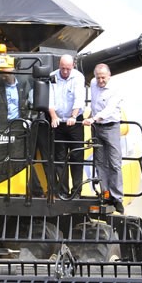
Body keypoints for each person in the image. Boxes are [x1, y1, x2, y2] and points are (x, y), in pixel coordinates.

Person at [0, 71, 42, 195]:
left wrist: (28, 120)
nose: (2, 76)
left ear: (13, 72)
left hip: (19, 125)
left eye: (5, 74)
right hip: (0, 125)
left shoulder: (23, 85)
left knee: (19, 158)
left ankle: (33, 190)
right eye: (1, 74)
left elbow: (31, 103)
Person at [82, 63, 124, 213]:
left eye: (103, 78)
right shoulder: (93, 83)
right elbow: (93, 102)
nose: (100, 81)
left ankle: (117, 198)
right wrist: (89, 116)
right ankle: (106, 194)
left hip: (111, 126)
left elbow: (110, 109)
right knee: (99, 162)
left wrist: (94, 118)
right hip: (96, 128)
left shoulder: (116, 89)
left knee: (114, 163)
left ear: (109, 76)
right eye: (98, 77)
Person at [48, 54, 86, 196]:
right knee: (59, 158)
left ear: (73, 66)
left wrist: (73, 116)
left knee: (77, 156)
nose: (65, 72)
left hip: (74, 121)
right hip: (58, 122)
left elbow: (79, 98)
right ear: (59, 65)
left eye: (68, 69)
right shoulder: (52, 76)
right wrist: (53, 117)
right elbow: (49, 99)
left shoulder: (78, 77)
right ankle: (63, 191)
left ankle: (76, 191)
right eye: (63, 68)